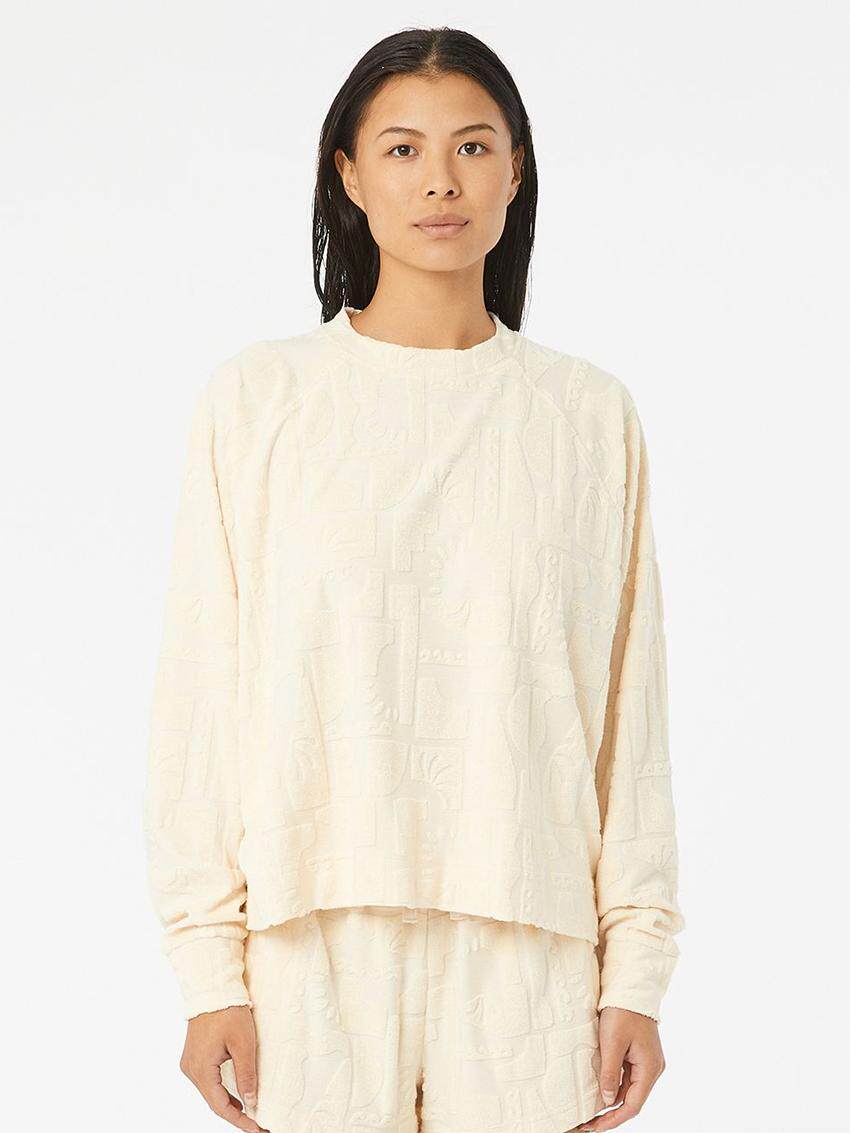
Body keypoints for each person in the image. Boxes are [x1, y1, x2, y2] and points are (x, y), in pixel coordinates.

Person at [143, 26, 685, 1133]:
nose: (441, 180)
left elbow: (631, 718)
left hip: (531, 953)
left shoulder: (586, 417)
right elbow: (203, 698)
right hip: (309, 951)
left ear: (516, 169)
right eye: (402, 148)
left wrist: (634, 970)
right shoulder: (259, 402)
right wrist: (208, 971)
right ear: (348, 174)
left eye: (473, 146)